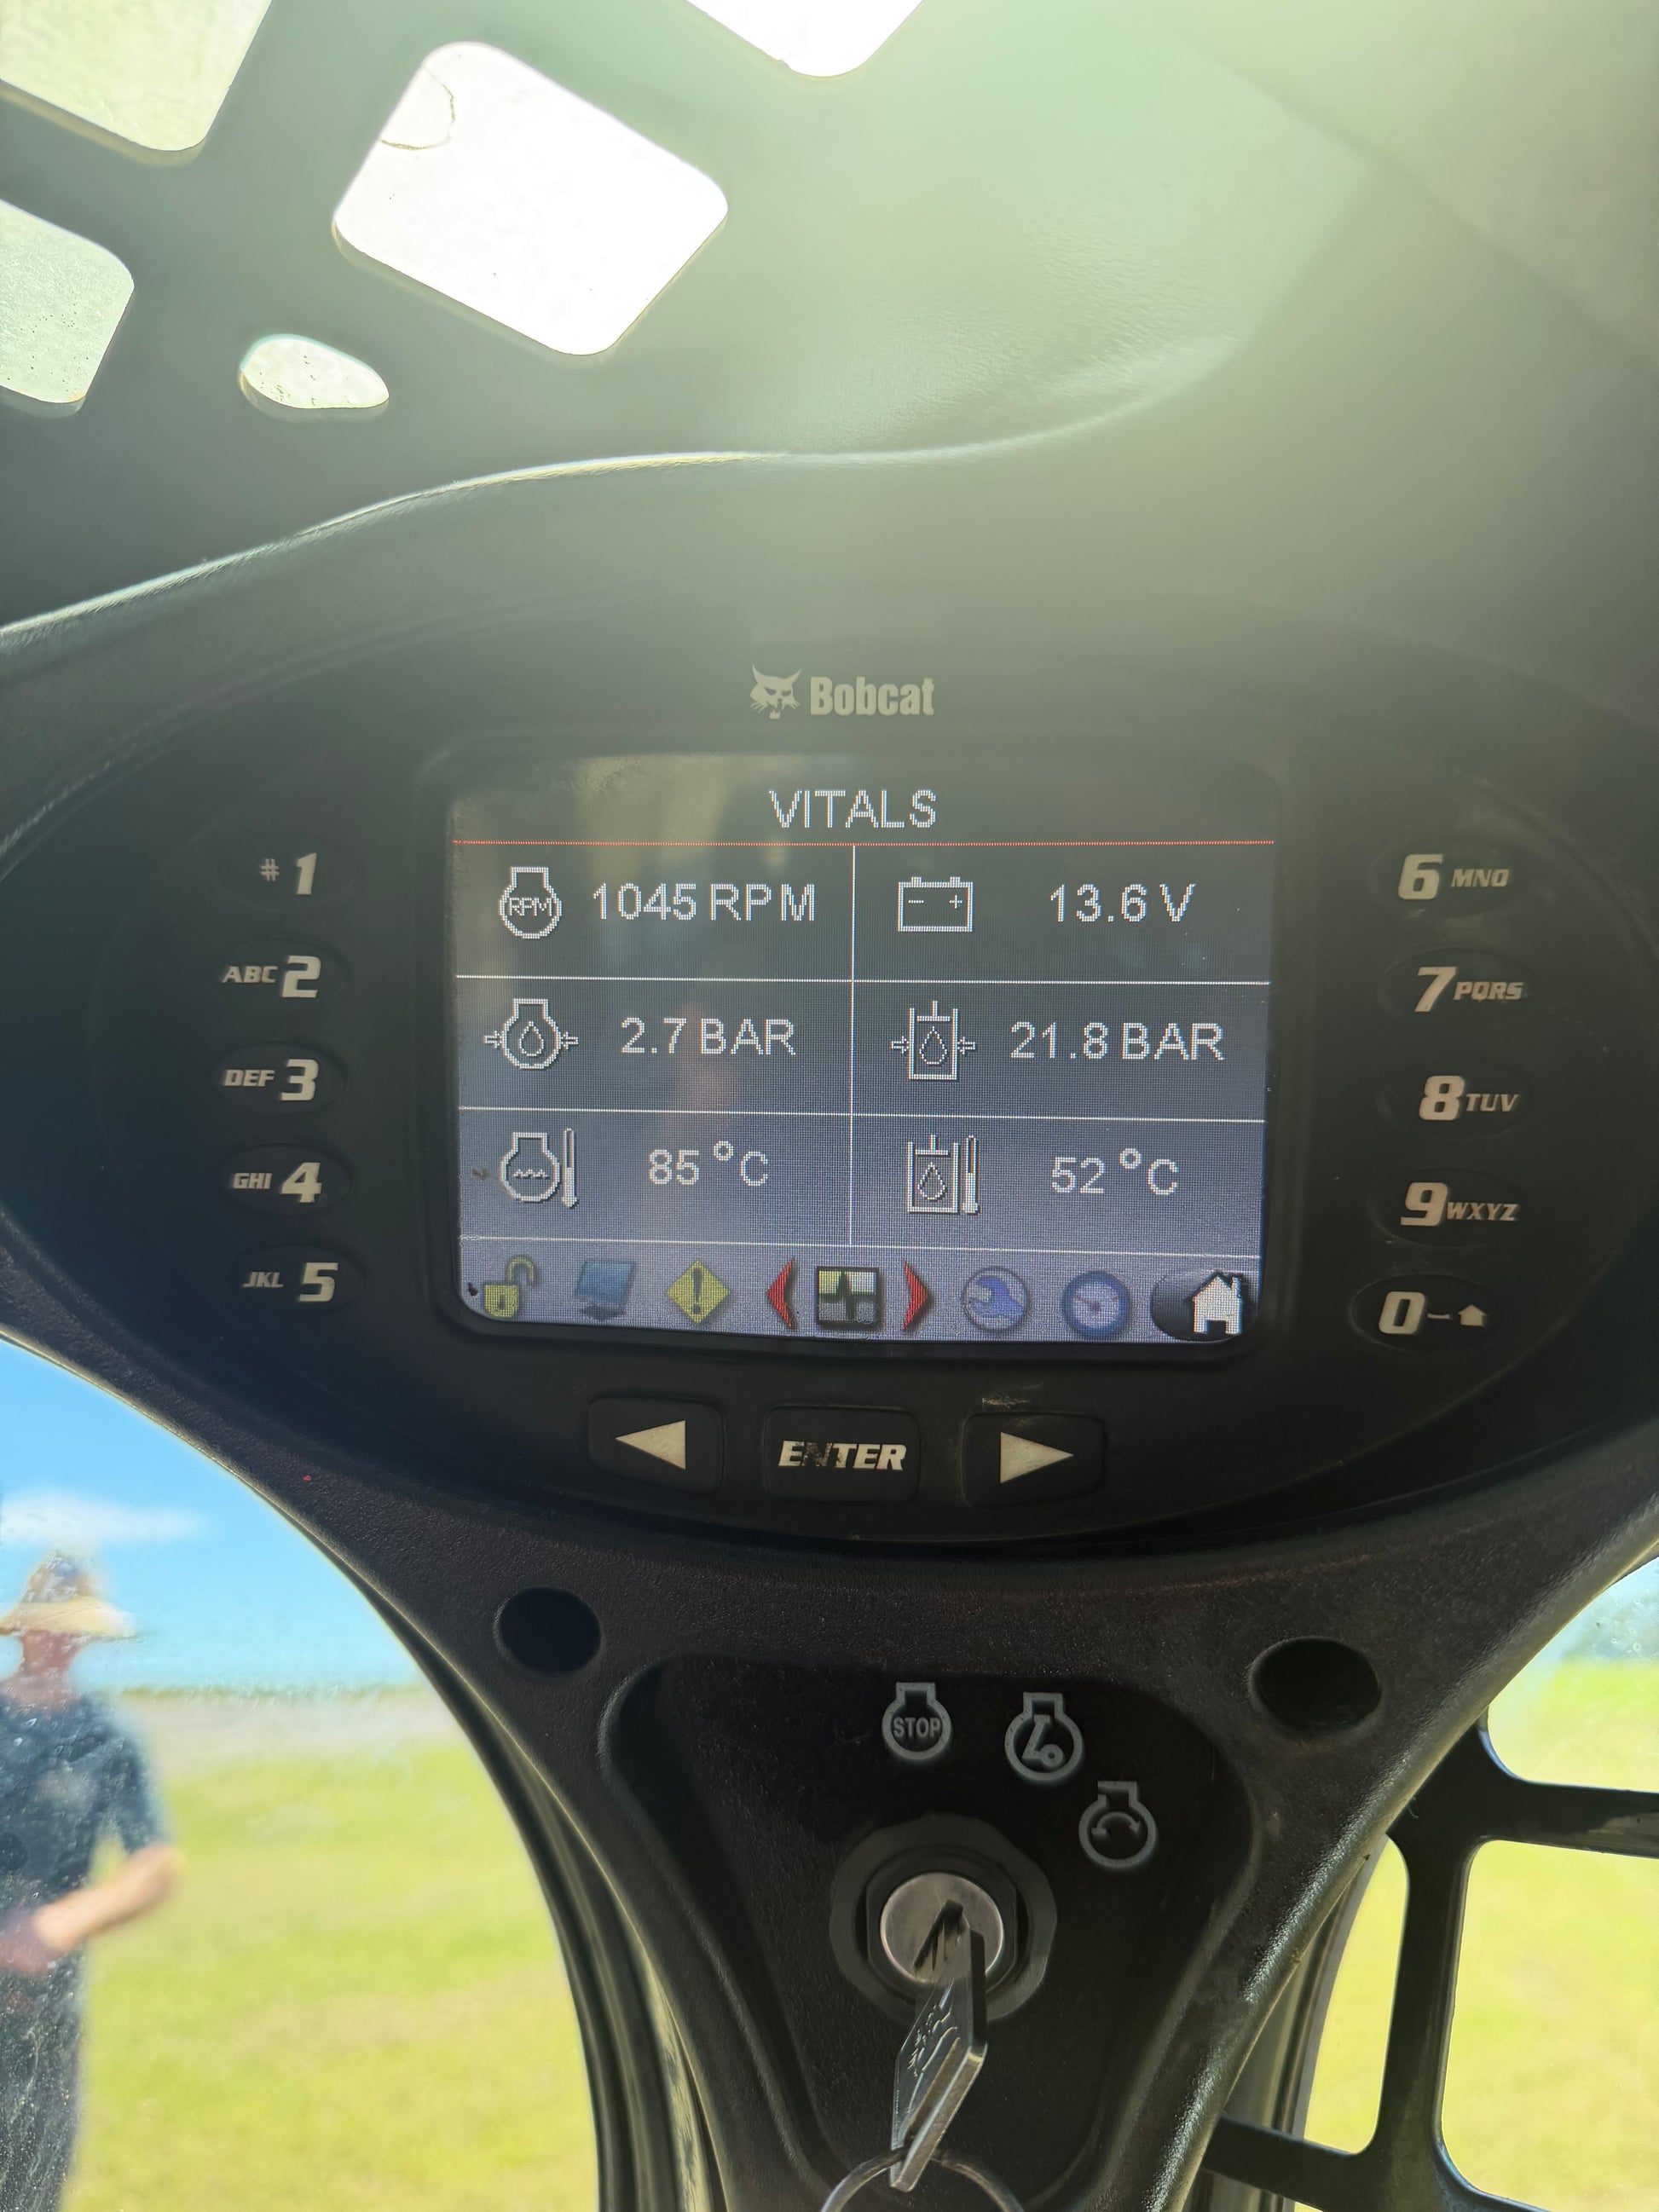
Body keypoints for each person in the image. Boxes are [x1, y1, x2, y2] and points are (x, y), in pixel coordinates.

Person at [0, 1556, 177, 2211]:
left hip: (41, 2001)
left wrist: (62, 1921)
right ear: (23, 1627)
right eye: (48, 1624)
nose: (60, 1640)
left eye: (73, 1628)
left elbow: (155, 1863)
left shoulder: (105, 1737)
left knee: (31, 2185)